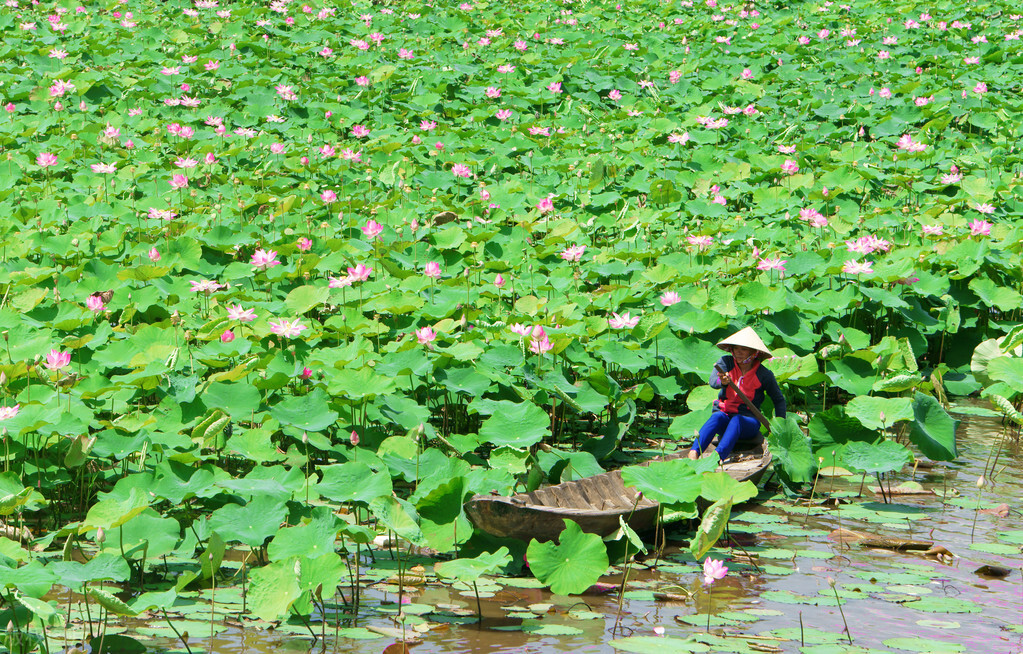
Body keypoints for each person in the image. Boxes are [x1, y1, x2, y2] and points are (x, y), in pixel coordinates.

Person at [688, 327, 786, 462]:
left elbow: (779, 400)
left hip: (748, 422)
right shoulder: (725, 363)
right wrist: (723, 382)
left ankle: (716, 458)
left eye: (744, 349)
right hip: (725, 416)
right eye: (736, 349)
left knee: (737, 421)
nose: (739, 353)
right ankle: (693, 454)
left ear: (753, 352)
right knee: (717, 417)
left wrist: (780, 425)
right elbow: (713, 382)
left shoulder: (764, 374)